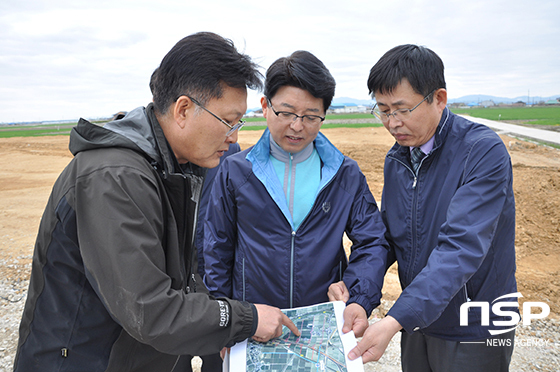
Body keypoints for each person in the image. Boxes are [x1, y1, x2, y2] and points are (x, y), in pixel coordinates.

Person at [13, 32, 299, 372]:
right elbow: (149, 311)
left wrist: (218, 332)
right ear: (183, 110)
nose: (234, 136)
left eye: (239, 122)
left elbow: (184, 276)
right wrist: (245, 320)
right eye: (227, 121)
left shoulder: (178, 166)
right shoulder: (115, 177)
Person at [342, 44, 517, 371]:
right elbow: (389, 238)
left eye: (402, 109)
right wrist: (359, 296)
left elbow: (460, 248)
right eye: (382, 110)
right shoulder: (398, 159)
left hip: (473, 324)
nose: (392, 122)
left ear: (439, 98)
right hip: (420, 318)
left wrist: (394, 320)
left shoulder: (481, 152)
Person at [203, 50, 389, 334]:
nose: (297, 126)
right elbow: (216, 249)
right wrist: (226, 322)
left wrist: (358, 296)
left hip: (323, 324)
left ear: (324, 114)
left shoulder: (344, 174)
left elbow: (372, 241)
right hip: (253, 324)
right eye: (286, 113)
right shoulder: (235, 172)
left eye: (311, 116)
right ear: (265, 106)